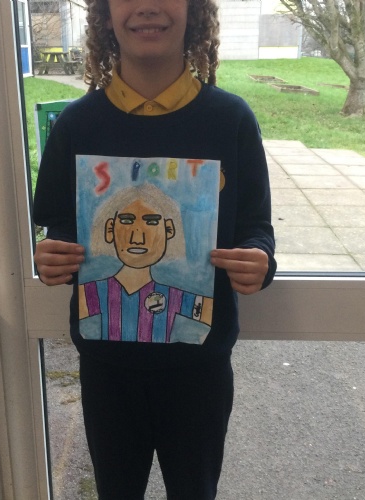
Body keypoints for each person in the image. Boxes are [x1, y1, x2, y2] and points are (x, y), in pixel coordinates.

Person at [33, 0, 276, 498]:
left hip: (200, 372)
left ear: (194, 10)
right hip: (108, 371)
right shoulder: (76, 125)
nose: (146, 6)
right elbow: (58, 224)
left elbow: (255, 226)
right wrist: (52, 255)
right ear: (105, 14)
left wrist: (260, 260)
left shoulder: (230, 120)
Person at [79, 183, 213, 344]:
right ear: (110, 230)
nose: (137, 238)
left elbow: (210, 314)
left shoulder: (174, 297)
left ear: (169, 230)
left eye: (151, 222)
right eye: (127, 221)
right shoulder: (94, 293)